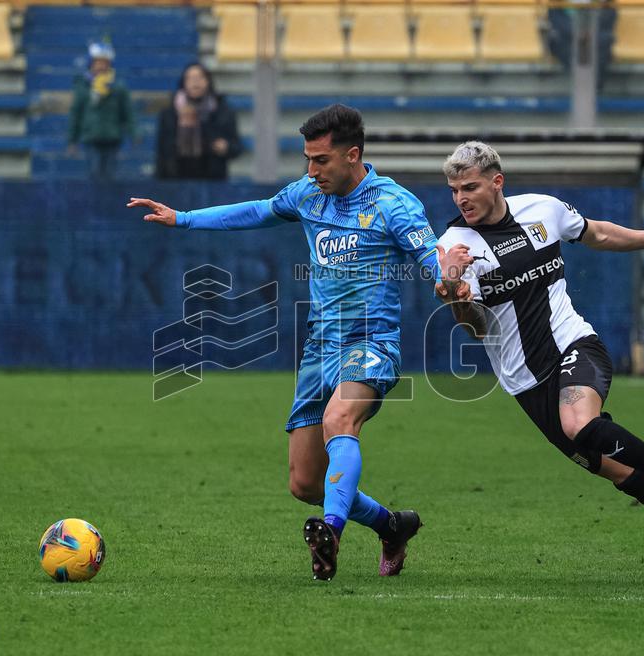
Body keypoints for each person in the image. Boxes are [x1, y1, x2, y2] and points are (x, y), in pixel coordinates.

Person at [129, 104, 447, 581]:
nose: (310, 170)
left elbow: (430, 253)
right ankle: (392, 526)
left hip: (372, 342)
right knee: (304, 482)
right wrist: (184, 218)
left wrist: (447, 279)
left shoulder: (392, 203)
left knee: (341, 419)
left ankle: (332, 532)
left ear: (352, 155)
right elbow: (258, 211)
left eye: (320, 160)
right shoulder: (308, 195)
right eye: (307, 159)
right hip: (321, 348)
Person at [434, 141, 644, 587]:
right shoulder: (455, 246)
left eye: (469, 187)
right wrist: (456, 292)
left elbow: (600, 234)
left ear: (497, 182)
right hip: (526, 385)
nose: (461, 198)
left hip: (576, 346)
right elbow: (474, 328)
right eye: (454, 190)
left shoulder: (542, 210)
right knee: (622, 474)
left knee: (580, 425)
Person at [155, 62, 241, 180]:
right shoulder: (170, 113)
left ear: (208, 81)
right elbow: (162, 152)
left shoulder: (222, 111)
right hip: (176, 179)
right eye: (190, 78)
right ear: (183, 83)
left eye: (200, 77)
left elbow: (236, 147)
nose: (195, 82)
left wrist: (225, 147)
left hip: (212, 180)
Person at [67, 42, 135, 181]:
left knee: (110, 175)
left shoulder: (118, 87)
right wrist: (72, 140)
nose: (101, 66)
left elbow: (128, 112)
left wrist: (134, 132)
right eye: (97, 62)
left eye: (105, 63)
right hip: (91, 138)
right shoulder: (83, 86)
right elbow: (76, 114)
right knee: (94, 173)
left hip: (112, 138)